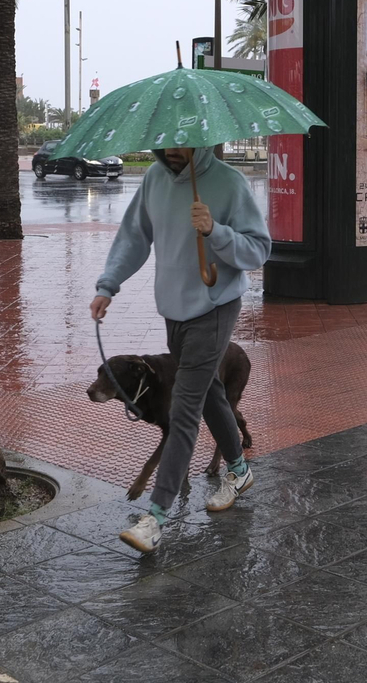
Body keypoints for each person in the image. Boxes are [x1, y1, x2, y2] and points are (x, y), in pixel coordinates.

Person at [90, 147, 271, 553]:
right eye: (167, 140)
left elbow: (259, 250)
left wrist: (215, 231)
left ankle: (155, 516)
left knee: (185, 407)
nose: (173, 148)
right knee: (209, 393)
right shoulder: (154, 179)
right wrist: (108, 285)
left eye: (182, 140)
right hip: (173, 311)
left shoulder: (229, 182)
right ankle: (239, 469)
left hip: (215, 307)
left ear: (200, 138)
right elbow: (134, 237)